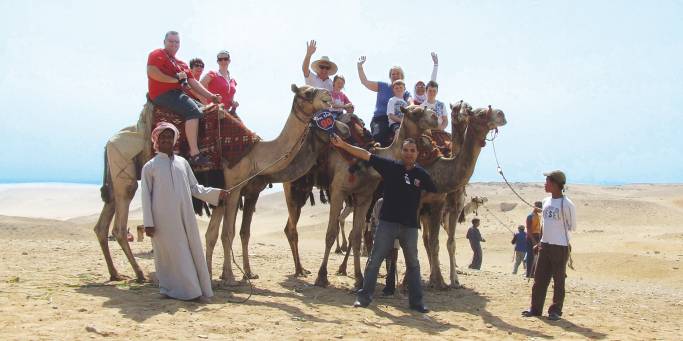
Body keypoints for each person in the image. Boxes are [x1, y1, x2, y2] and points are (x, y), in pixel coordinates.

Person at [330, 135, 437, 313]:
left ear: (417, 153)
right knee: (374, 261)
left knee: (413, 264)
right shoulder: (391, 167)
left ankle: (417, 303)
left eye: (412, 151)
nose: (409, 154)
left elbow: (434, 192)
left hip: (410, 226)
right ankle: (363, 298)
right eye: (406, 150)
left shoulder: (421, 174)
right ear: (401, 152)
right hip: (387, 223)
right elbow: (365, 155)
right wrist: (342, 144)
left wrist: (419, 199)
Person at [141, 122, 229, 302]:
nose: (166, 139)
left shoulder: (183, 163)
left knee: (189, 251)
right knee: (170, 254)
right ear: (156, 140)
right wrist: (148, 223)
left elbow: (194, 188)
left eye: (169, 136)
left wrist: (216, 193)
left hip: (185, 216)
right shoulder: (150, 167)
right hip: (162, 219)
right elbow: (145, 196)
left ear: (174, 140)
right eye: (162, 137)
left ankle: (192, 290)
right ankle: (188, 293)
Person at [146, 31, 221, 167]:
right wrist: (175, 80)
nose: (174, 44)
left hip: (177, 94)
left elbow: (193, 82)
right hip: (162, 94)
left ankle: (196, 146)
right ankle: (194, 154)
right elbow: (153, 72)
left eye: (177, 42)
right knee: (193, 112)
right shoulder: (157, 54)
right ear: (164, 42)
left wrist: (211, 96)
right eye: (171, 41)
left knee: (205, 110)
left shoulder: (181, 64)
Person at [522, 170, 577, 321]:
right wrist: (540, 242)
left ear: (555, 184)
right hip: (545, 246)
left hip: (560, 246)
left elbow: (572, 226)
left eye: (547, 182)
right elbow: (544, 224)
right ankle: (535, 309)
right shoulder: (545, 201)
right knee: (539, 279)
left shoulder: (567, 204)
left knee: (558, 281)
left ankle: (555, 311)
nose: (545, 184)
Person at [357, 56, 412, 146]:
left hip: (398, 121)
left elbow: (411, 102)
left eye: (397, 73)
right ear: (390, 76)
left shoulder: (405, 92)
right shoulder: (383, 86)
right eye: (393, 74)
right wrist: (360, 67)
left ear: (402, 76)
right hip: (380, 119)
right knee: (379, 137)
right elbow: (365, 82)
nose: (395, 75)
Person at [525, 201, 543, 278]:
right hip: (531, 237)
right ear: (535, 206)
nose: (540, 208)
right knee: (530, 255)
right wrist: (533, 241)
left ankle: (533, 272)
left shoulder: (538, 216)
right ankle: (529, 273)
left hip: (537, 237)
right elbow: (529, 230)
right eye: (539, 206)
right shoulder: (530, 216)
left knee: (536, 255)